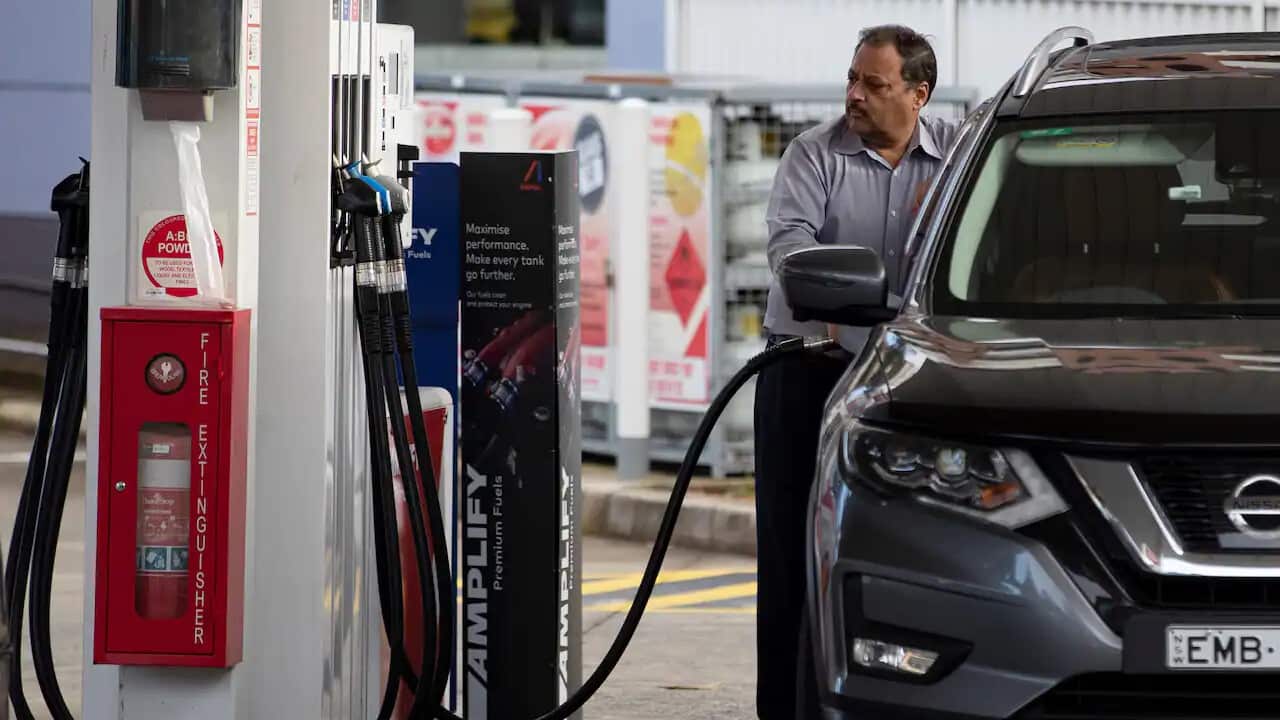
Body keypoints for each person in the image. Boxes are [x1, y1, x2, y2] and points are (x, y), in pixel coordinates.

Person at [753, 24, 960, 718]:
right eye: (852, 79)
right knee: (792, 557)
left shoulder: (960, 155)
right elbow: (790, 252)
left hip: (923, 386)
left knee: (927, 555)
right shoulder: (815, 155)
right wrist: (873, 316)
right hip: (811, 371)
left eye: (874, 84)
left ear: (918, 93)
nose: (854, 95)